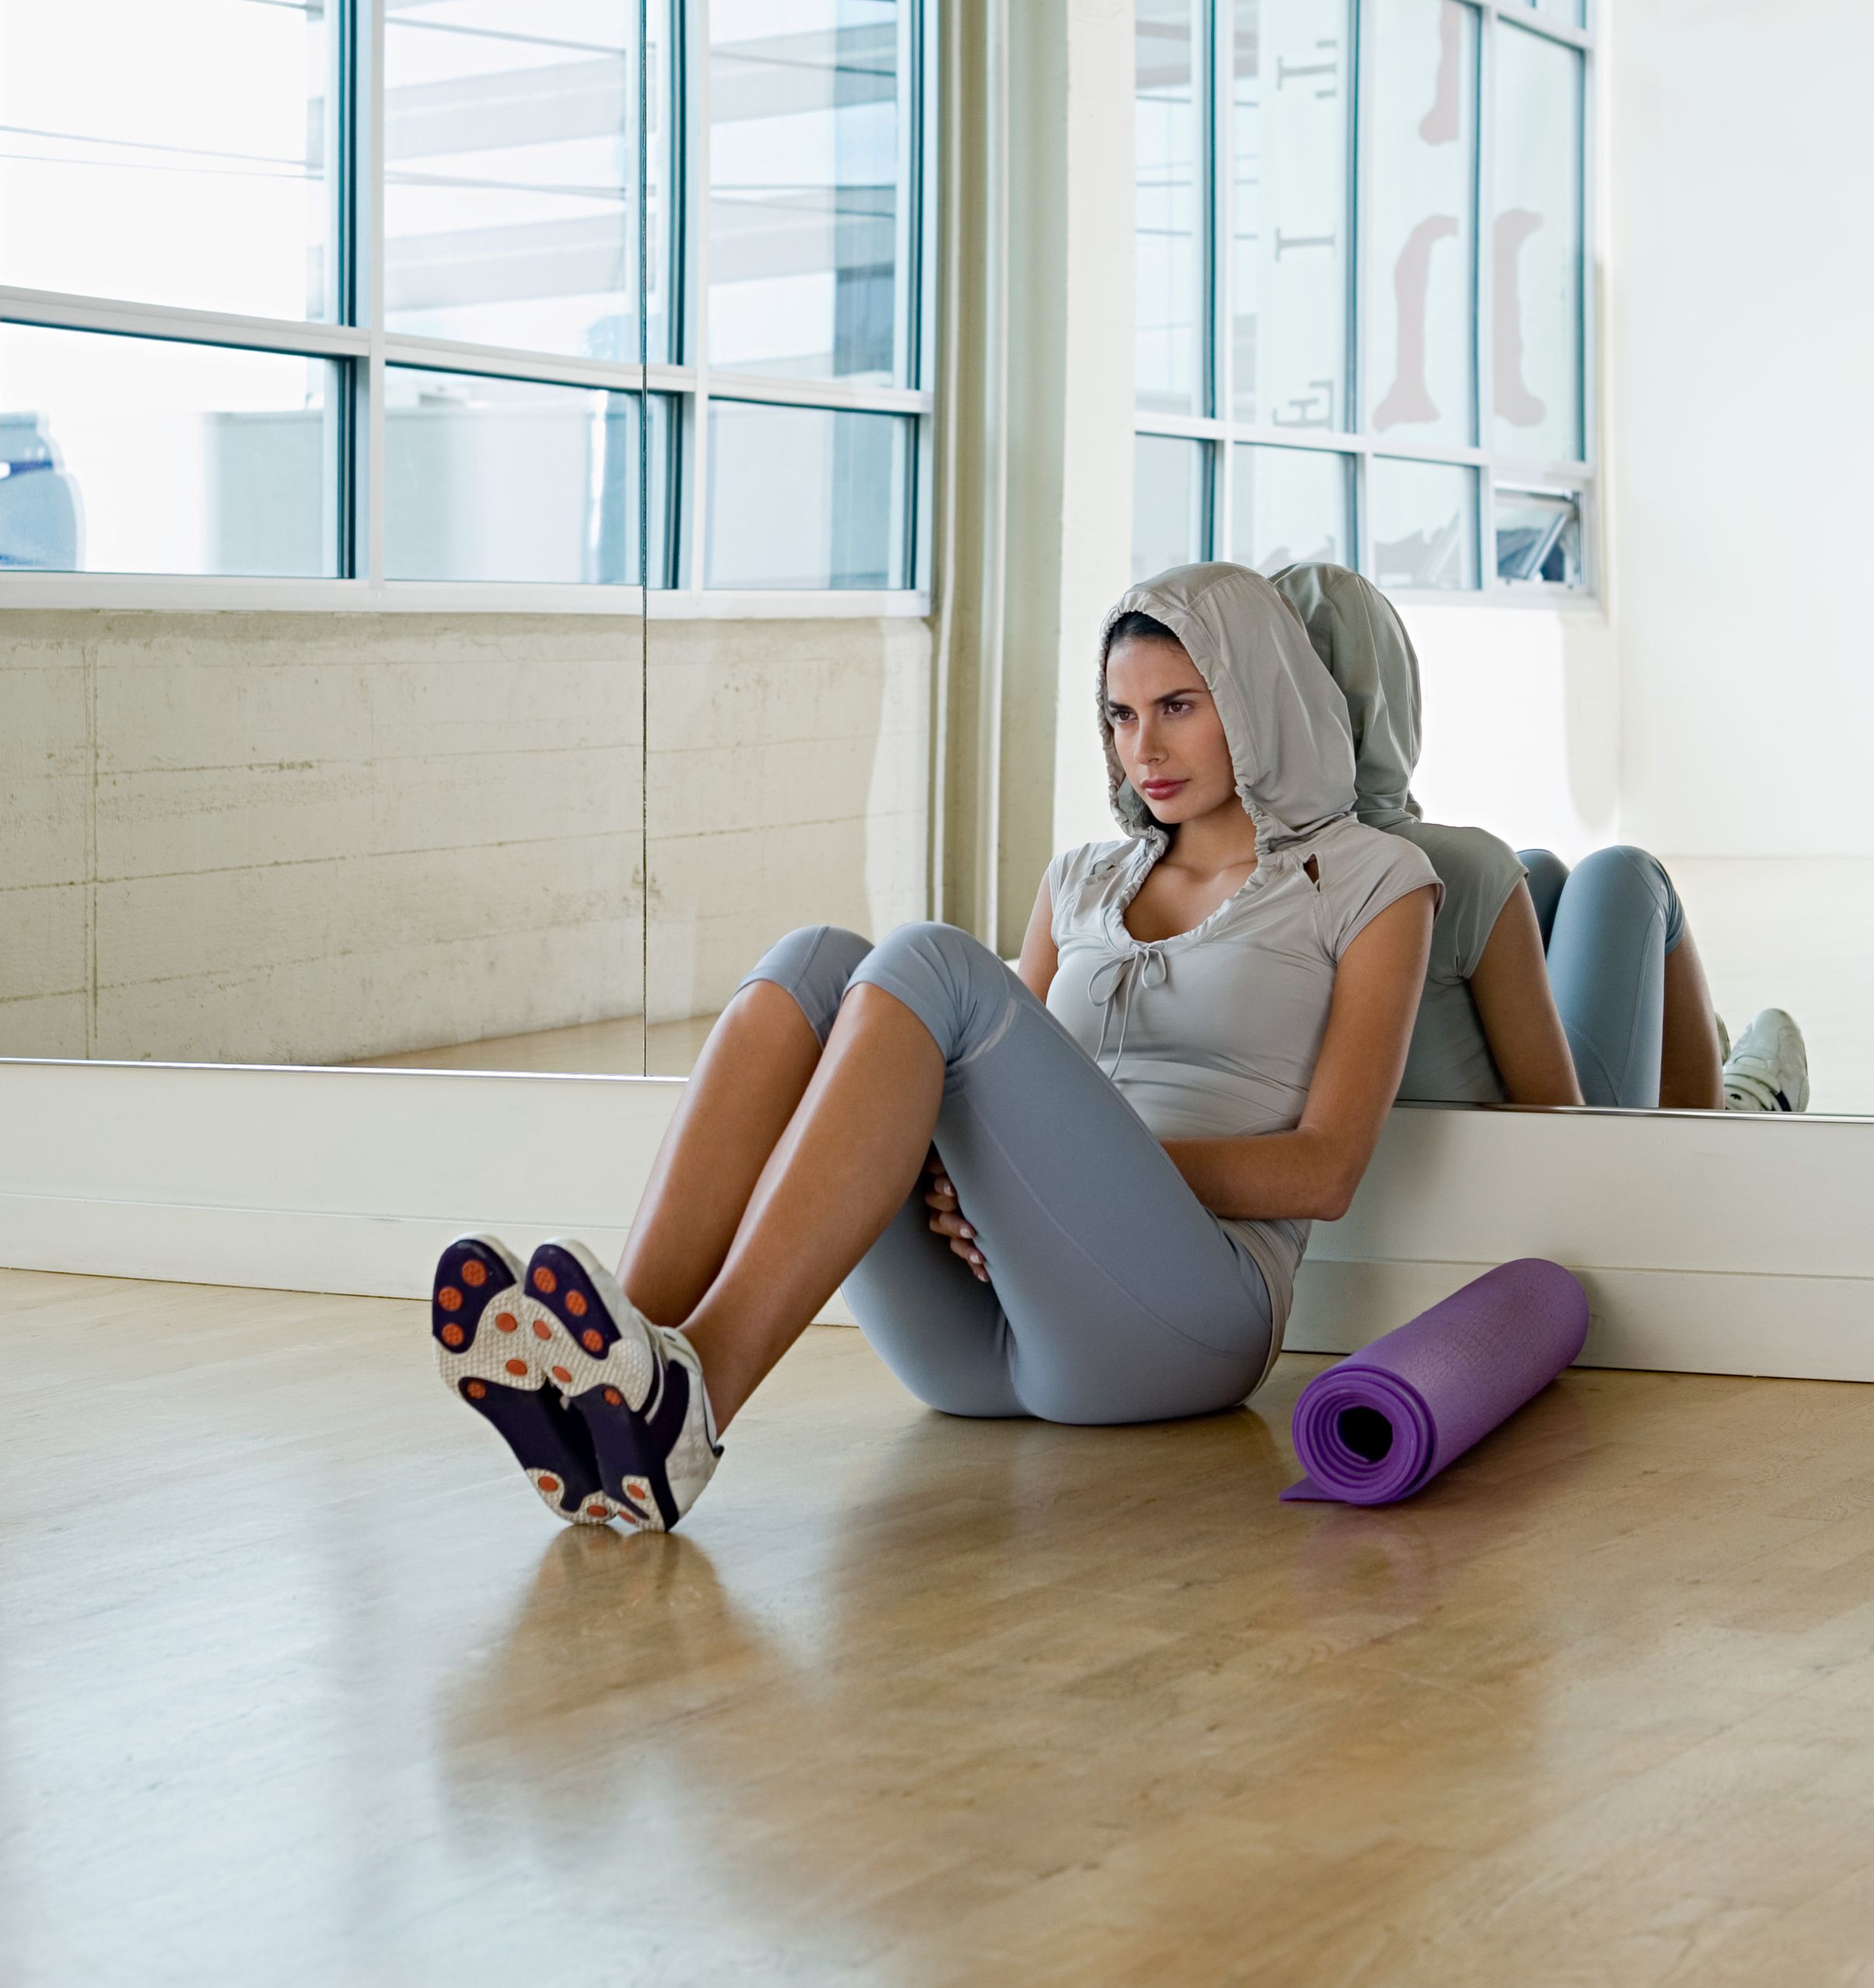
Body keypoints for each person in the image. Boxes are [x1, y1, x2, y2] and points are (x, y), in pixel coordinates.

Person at [428, 563, 1439, 1534]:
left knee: (930, 961)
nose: (1144, 748)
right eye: (1121, 716)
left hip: (1183, 1328)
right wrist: (985, 1185)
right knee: (814, 962)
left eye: (1179, 706)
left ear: (1257, 699)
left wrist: (1045, 1182)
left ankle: (700, 1393)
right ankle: (618, 1368)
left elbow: (1327, 1169)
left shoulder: (1369, 880)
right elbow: (984, 1096)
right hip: (974, 1338)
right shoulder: (1082, 878)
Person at [1271, 561, 1808, 1117]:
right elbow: (1563, 1132)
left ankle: (1681, 1050)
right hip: (1547, 1163)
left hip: (1392, 1157)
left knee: (1538, 874)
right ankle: (1738, 1109)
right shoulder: (1443, 868)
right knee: (1623, 876)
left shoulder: (1211, 871)